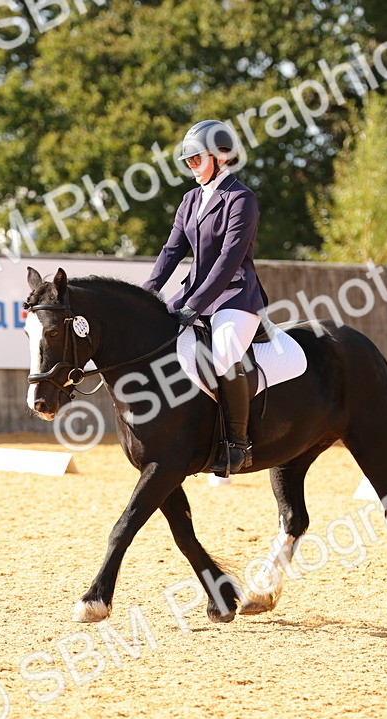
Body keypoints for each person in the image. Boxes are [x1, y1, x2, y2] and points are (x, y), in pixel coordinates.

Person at [143, 120, 269, 475]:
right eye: (187, 162)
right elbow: (171, 252)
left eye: (196, 160)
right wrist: (146, 295)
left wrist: (192, 306)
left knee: (224, 351)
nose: (191, 168)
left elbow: (229, 261)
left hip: (236, 298)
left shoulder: (241, 199)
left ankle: (237, 445)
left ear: (221, 157)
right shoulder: (190, 200)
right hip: (193, 295)